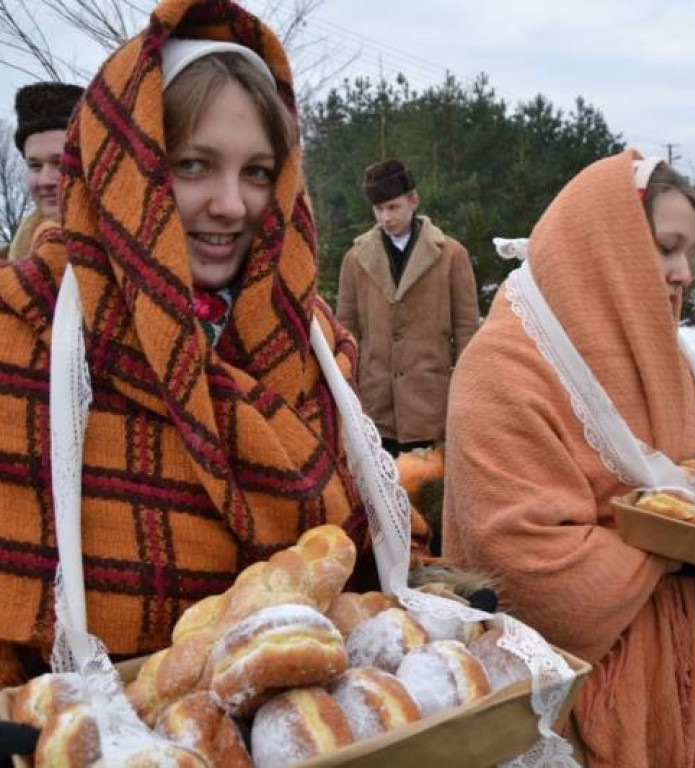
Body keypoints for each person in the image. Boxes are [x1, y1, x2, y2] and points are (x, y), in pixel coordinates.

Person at [0, 0, 437, 687]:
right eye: (193, 165)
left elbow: (381, 537)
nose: (231, 204)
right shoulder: (24, 336)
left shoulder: (314, 342)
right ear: (124, 169)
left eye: (257, 171)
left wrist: (436, 596)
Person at [443, 151, 695, 768]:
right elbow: (522, 561)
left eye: (689, 254)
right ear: (604, 248)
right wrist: (683, 551)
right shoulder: (503, 369)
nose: (684, 273)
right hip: (583, 692)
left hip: (685, 659)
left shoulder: (653, 355)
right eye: (666, 248)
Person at [336, 160, 479, 456]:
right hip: (375, 405)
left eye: (393, 207)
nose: (386, 217)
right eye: (378, 209)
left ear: (414, 201)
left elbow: (466, 329)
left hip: (431, 403)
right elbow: (346, 330)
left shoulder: (452, 255)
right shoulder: (355, 259)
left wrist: (465, 391)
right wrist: (349, 390)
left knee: (430, 481)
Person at [1, 81, 84, 262]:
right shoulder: (10, 264)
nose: (44, 180)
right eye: (35, 166)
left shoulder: (131, 256)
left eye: (60, 163)